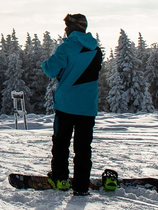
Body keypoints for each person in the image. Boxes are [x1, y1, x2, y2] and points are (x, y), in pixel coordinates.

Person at [42, 13, 103, 196]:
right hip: (88, 107)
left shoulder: (67, 48)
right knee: (83, 147)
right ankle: (81, 186)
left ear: (72, 28)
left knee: (61, 144)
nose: (65, 30)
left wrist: (46, 62)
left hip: (66, 105)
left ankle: (60, 179)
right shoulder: (96, 49)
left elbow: (50, 69)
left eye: (67, 26)